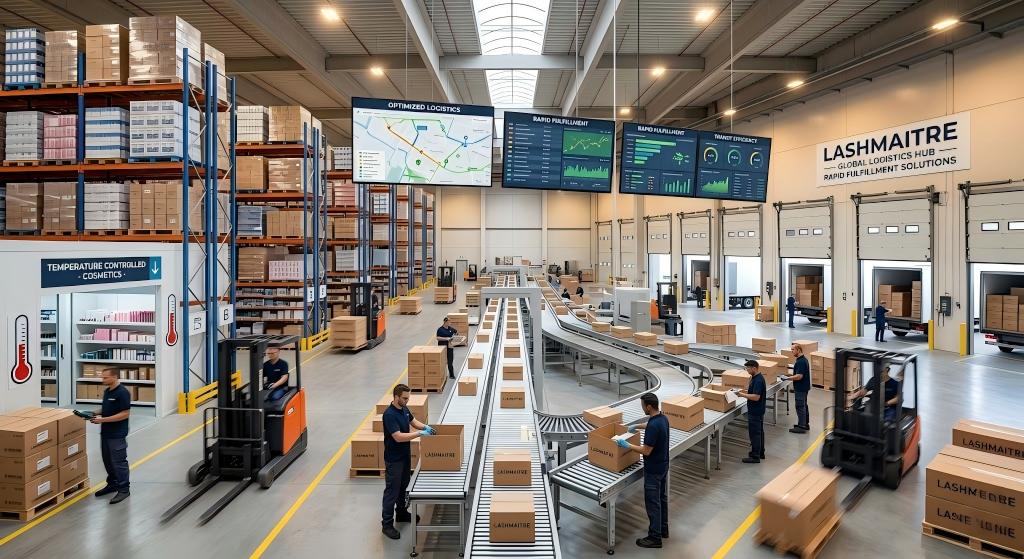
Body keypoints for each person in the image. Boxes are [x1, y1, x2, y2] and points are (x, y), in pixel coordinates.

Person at [616, 393, 670, 549]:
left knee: (653, 503)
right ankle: (663, 530)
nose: (642, 409)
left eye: (642, 406)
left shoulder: (654, 426)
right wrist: (636, 426)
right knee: (662, 499)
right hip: (664, 465)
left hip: (653, 469)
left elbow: (646, 451)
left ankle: (654, 537)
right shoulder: (663, 418)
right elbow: (651, 425)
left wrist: (627, 445)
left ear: (648, 406)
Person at [381, 384, 435, 540]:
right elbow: (398, 437)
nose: (407, 400)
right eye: (404, 398)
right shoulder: (389, 415)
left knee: (404, 486)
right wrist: (419, 433)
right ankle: (387, 525)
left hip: (404, 456)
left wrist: (426, 427)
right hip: (394, 459)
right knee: (392, 491)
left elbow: (413, 421)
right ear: (396, 397)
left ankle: (402, 513)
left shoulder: (404, 408)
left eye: (408, 398)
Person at [91, 368, 131, 503]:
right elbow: (107, 409)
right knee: (107, 460)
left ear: (114, 377)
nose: (103, 380)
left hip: (117, 434)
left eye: (105, 378)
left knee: (119, 462)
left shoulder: (123, 392)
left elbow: (125, 413)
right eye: (102, 378)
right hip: (106, 433)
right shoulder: (107, 391)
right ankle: (113, 484)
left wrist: (102, 420)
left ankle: (124, 489)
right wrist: (94, 413)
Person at [735, 359, 767, 463]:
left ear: (754, 368)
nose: (747, 370)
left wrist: (742, 395)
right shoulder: (755, 377)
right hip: (758, 410)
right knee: (759, 432)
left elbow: (756, 397)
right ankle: (760, 452)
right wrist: (742, 391)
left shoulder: (758, 380)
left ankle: (755, 456)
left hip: (755, 410)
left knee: (755, 434)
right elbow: (752, 392)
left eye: (748, 368)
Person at [783, 343, 811, 433]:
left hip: (800, 387)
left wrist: (787, 378)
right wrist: (790, 375)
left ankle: (801, 426)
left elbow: (799, 376)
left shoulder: (801, 362)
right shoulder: (803, 359)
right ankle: (805, 424)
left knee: (799, 406)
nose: (791, 351)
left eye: (793, 350)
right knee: (804, 405)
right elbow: (798, 374)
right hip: (804, 387)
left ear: (798, 350)